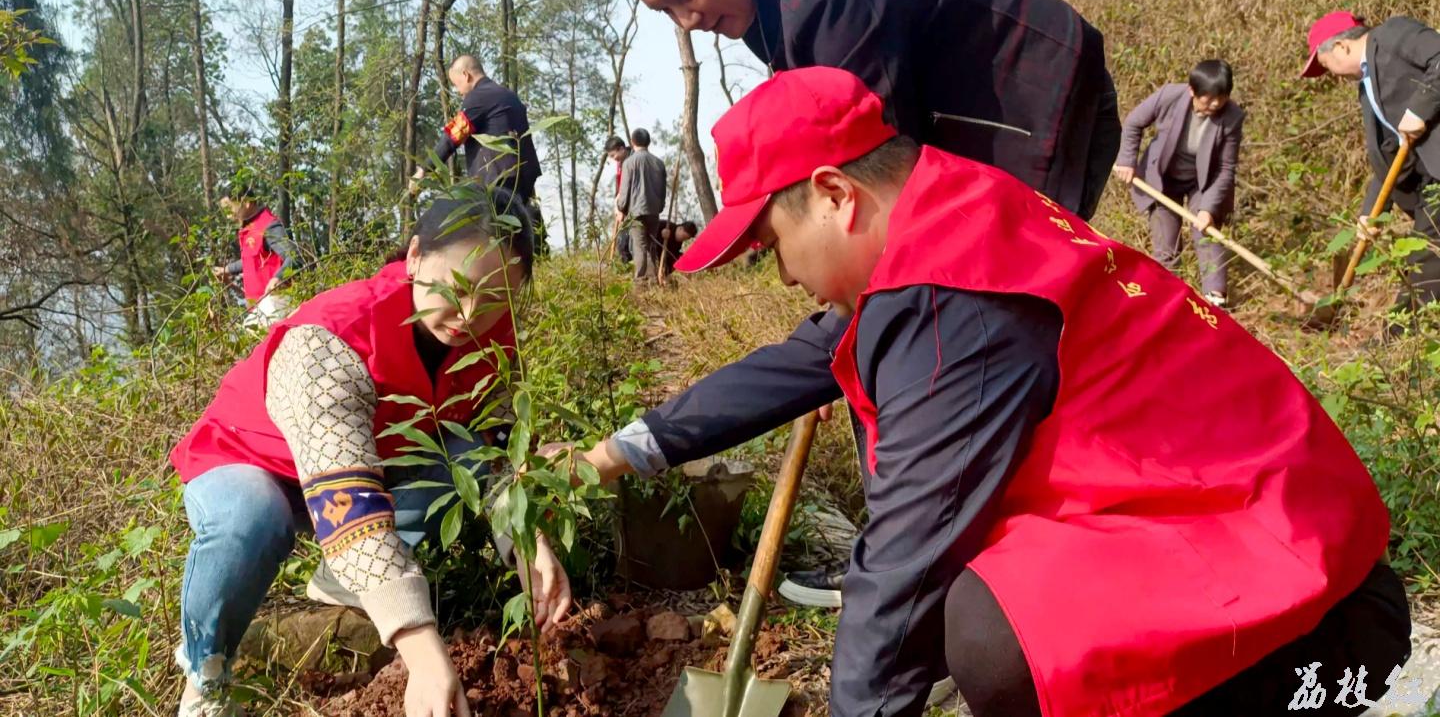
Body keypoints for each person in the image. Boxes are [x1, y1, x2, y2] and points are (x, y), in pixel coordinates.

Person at [559, 68, 1409, 717]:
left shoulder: (948, 302)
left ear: (832, 196)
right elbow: (793, 364)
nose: (778, 273)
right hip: (1276, 538)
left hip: (1311, 613)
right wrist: (621, 450)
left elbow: (898, 574)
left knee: (990, 631)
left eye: (769, 242)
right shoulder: (950, 213)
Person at [608, 0, 1121, 599]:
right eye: (666, 11)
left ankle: (937, 584)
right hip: (956, 123)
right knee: (873, 330)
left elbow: (876, 216)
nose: (687, 22)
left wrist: (846, 341)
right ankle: (922, 559)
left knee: (934, 323)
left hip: (1030, 112)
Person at [170, 187, 572, 717]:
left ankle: (342, 579)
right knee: (254, 519)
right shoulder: (331, 337)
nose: (471, 315)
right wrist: (423, 652)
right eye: (459, 288)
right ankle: (206, 674)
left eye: (497, 300)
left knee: (456, 459)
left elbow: (493, 445)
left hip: (373, 457)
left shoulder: (494, 338)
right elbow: (345, 502)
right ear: (414, 257)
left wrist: (526, 539)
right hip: (255, 460)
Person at [608, 0, 1120, 221]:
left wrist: (847, 327)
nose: (688, 21)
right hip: (969, 105)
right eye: (664, 11)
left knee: (1013, 299)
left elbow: (881, 184)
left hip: (1038, 103)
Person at [1303, 10, 1440, 319]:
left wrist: (1420, 109)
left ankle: (1401, 341)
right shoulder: (1367, 87)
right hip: (1429, 184)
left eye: (1327, 67)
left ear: (1341, 46)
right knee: (1424, 256)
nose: (1333, 76)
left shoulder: (1393, 34)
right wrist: (1371, 213)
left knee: (1424, 259)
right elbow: (1389, 155)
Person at [1113, 60, 1245, 306]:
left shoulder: (1232, 117)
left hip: (1203, 182)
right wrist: (1127, 160)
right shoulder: (1169, 96)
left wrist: (1207, 209)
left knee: (1207, 234)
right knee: (1166, 243)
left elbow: (1226, 168)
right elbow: (1133, 123)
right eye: (1208, 99)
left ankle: (1215, 300)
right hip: (1161, 179)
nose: (1215, 105)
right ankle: (1167, 300)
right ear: (1192, 91)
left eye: (1221, 98)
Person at [420, 55, 544, 204]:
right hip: (524, 179)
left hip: (498, 181)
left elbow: (452, 137)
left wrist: (424, 169)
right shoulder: (509, 96)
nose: (459, 91)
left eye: (457, 84)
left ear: (466, 75)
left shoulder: (477, 97)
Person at [212, 185, 300, 328]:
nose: (228, 215)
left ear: (246, 202)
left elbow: (294, 256)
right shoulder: (250, 228)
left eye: (230, 209)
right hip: (259, 307)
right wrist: (227, 269)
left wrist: (278, 277)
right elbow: (252, 259)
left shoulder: (269, 225)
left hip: (276, 302)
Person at [616, 127, 668, 283]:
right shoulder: (659, 163)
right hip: (653, 212)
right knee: (651, 246)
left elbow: (624, 192)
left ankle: (640, 282)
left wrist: (620, 207)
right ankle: (653, 281)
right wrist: (659, 207)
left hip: (636, 212)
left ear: (632, 143)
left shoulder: (629, 163)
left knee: (639, 247)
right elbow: (662, 192)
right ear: (649, 142)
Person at [604, 135, 633, 263]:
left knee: (626, 244)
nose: (613, 159)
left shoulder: (633, 160)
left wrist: (622, 207)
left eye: (613, 155)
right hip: (623, 206)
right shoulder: (620, 163)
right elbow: (620, 187)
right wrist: (617, 205)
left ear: (621, 149)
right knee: (622, 243)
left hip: (633, 207)